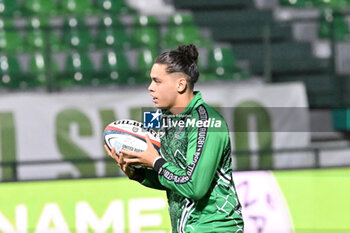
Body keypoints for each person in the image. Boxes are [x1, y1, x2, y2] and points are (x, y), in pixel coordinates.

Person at [105, 44, 244, 233]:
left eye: (157, 81)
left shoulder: (207, 122)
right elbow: (175, 181)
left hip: (214, 228)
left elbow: (195, 187)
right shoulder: (167, 120)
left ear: (180, 84)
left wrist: (155, 161)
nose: (150, 87)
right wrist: (137, 173)